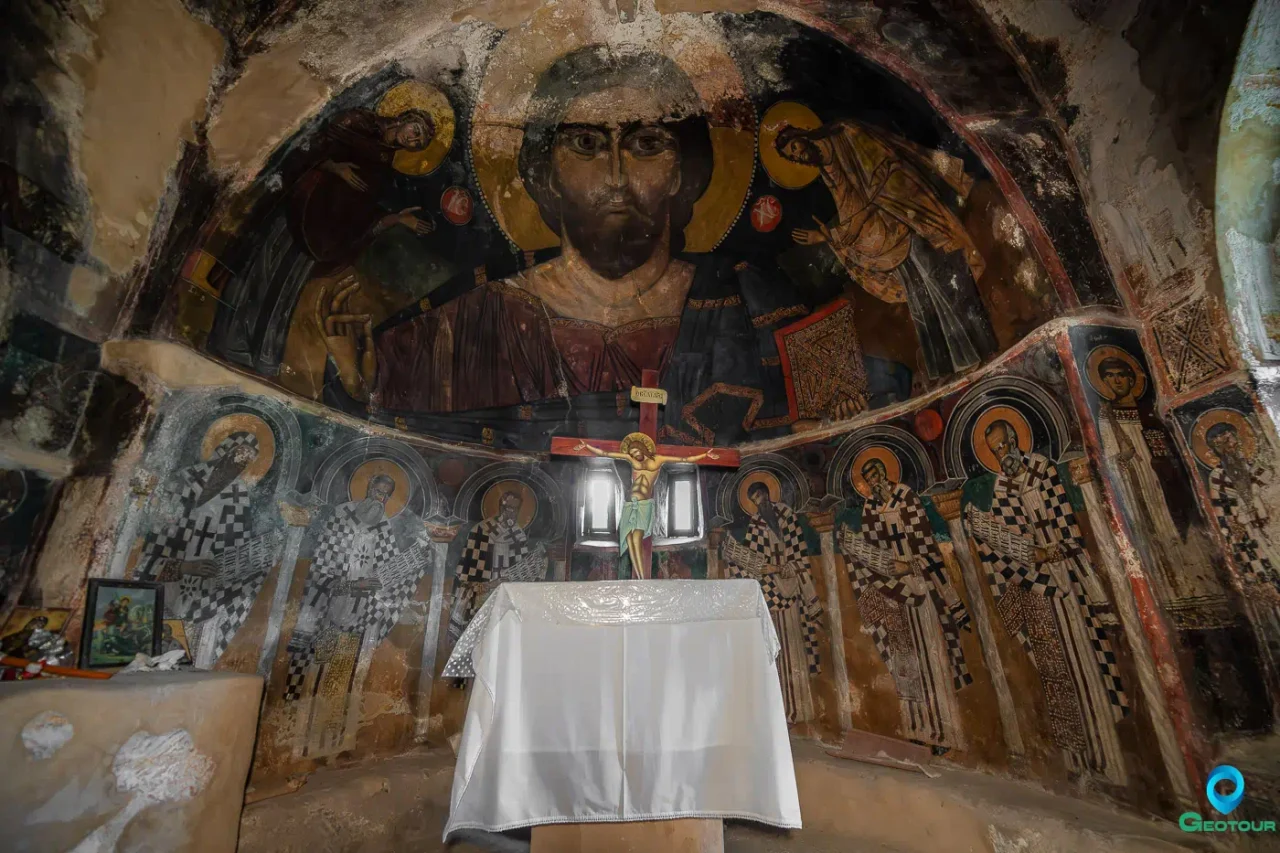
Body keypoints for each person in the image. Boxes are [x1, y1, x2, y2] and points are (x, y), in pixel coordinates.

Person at [317, 47, 867, 444]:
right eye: (586, 143)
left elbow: (838, 425)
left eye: (647, 144)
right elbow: (380, 417)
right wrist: (357, 382)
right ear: (545, 175)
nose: (616, 176)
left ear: (683, 173)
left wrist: (834, 420)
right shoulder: (470, 318)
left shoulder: (754, 298)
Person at [210, 107, 436, 376]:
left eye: (419, 143)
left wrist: (396, 219)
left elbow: (361, 214)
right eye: (415, 131)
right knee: (262, 270)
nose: (413, 140)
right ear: (405, 119)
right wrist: (333, 167)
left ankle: (264, 354)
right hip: (301, 209)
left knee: (287, 288)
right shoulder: (358, 122)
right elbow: (306, 146)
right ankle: (232, 342)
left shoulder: (384, 164)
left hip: (324, 234)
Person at [965, 420, 1128, 784]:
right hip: (1036, 589)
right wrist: (1023, 551)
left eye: (1004, 444)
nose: (1002, 454)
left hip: (1066, 581)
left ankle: (1108, 762)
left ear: (1015, 439)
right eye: (995, 450)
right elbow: (1007, 541)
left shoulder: (1043, 470)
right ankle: (1075, 761)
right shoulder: (1002, 487)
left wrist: (1053, 551)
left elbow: (1067, 526)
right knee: (1055, 674)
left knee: (1086, 664)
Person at [775, 119, 997, 380]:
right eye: (793, 157)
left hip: (908, 215)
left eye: (795, 147)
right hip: (886, 236)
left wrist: (839, 231)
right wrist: (833, 236)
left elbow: (886, 176)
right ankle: (946, 367)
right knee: (917, 296)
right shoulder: (827, 170)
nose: (799, 156)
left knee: (939, 280)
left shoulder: (848, 133)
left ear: (802, 133)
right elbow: (852, 208)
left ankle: (972, 353)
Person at [283, 472, 432, 757]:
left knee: (346, 675)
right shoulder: (341, 516)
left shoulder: (383, 526)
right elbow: (320, 571)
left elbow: (388, 573)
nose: (380, 498)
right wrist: (353, 586)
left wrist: (413, 562)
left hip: (360, 615)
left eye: (386, 495)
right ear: (367, 487)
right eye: (377, 490)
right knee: (318, 670)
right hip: (327, 611)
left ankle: (335, 744)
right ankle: (303, 743)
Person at [838, 459, 971, 749]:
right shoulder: (870, 508)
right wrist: (867, 555)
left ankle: (945, 732)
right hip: (893, 591)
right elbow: (873, 548)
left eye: (876, 474)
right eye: (868, 479)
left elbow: (925, 541)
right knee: (906, 662)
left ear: (885, 472)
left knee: (932, 657)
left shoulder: (906, 496)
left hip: (920, 583)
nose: (874, 482)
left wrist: (911, 566)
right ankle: (917, 729)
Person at [136, 432, 282, 668]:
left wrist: (257, 557)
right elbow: (154, 542)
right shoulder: (184, 481)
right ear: (223, 451)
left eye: (245, 462)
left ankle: (190, 664)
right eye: (237, 456)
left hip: (204, 588)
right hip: (168, 579)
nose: (238, 465)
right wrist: (184, 566)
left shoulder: (238, 496)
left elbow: (234, 548)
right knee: (149, 646)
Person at [1093, 356, 1215, 604]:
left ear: (1131, 379)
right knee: (1156, 532)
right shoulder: (1107, 416)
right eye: (1110, 377)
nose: (1116, 381)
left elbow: (1173, 446)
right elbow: (1111, 460)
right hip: (1139, 483)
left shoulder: (1149, 411)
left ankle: (1204, 590)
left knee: (1187, 528)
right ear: (1104, 382)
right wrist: (1124, 458)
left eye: (1121, 375)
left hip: (1168, 479)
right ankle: (1174, 595)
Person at [722, 482, 822, 723]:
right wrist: (743, 562)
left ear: (767, 493)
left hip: (791, 590)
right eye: (754, 501)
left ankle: (800, 708)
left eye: (760, 497)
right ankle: (779, 711)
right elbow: (752, 559)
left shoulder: (787, 516)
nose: (759, 503)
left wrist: (786, 568)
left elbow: (800, 554)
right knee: (773, 652)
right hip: (769, 593)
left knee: (793, 648)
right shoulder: (756, 523)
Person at [573, 432, 719, 577]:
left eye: (636, 451)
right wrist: (586, 446)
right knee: (629, 538)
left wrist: (705, 455)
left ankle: (642, 577)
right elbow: (607, 453)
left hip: (643, 505)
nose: (634, 455)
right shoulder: (631, 459)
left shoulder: (658, 459)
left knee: (637, 536)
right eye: (632, 453)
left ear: (642, 448)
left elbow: (684, 459)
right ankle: (638, 575)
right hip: (630, 505)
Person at [1204, 422, 1280, 661]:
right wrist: (1238, 526)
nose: (1226, 447)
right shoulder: (1218, 477)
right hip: (1252, 542)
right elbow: (1225, 519)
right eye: (1219, 445)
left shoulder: (1259, 468)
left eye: (1228, 439)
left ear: (1238, 438)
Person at [447, 491, 547, 645]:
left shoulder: (518, 535)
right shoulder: (481, 530)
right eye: (508, 508)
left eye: (515, 509)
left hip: (506, 600)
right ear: (500, 507)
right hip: (480, 596)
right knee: (478, 641)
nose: (511, 514)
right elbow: (466, 574)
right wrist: (488, 585)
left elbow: (522, 572)